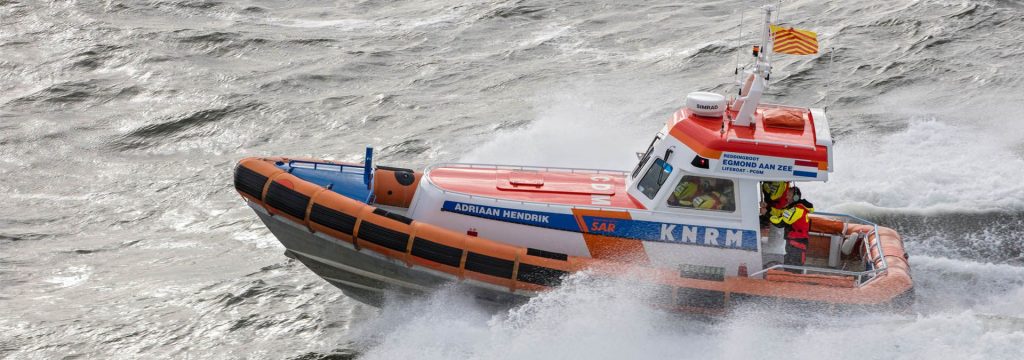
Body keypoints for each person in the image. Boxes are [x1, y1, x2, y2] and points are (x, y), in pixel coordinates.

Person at [763, 181, 814, 272]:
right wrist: (768, 208)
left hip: (797, 244)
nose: (786, 197)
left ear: (795, 197)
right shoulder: (792, 208)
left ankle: (793, 283)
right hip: (793, 242)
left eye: (789, 195)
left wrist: (767, 214)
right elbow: (780, 213)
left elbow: (780, 222)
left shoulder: (797, 210)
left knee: (794, 269)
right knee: (789, 266)